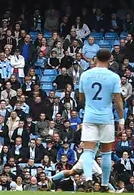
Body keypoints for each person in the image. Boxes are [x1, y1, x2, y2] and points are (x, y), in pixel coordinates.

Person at [53, 48, 123, 190]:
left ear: (95, 58)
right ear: (110, 59)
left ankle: (89, 179)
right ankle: (104, 185)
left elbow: (81, 98)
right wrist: (121, 119)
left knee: (88, 151)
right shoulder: (114, 77)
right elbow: (118, 101)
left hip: (90, 117)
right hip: (106, 118)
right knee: (106, 153)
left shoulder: (85, 75)